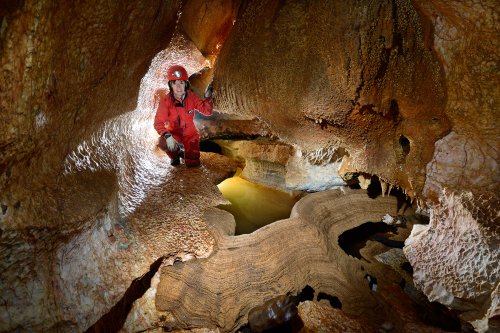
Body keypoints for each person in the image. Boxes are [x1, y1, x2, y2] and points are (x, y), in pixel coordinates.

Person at [154, 65, 213, 167]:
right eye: (174, 83)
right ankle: (175, 155)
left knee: (193, 164)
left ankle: (188, 155)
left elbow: (207, 111)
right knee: (163, 142)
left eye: (181, 82)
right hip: (174, 132)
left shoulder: (191, 97)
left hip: (190, 134)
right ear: (170, 85)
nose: (178, 87)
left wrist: (208, 98)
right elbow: (158, 123)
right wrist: (168, 136)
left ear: (186, 84)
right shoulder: (166, 101)